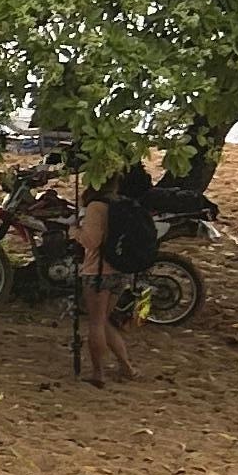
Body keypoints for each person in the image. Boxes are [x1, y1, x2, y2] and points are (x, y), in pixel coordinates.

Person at [77, 160, 158, 386]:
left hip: (98, 271)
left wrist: (74, 231)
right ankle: (127, 367)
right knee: (104, 321)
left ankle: (98, 373)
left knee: (95, 323)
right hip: (119, 269)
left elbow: (91, 241)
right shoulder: (122, 203)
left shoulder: (97, 207)